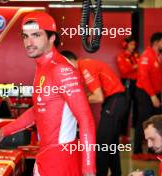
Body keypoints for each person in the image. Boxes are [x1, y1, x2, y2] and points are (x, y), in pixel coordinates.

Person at [0, 11, 96, 176]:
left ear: (52, 38)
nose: (29, 42)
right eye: (25, 36)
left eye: (36, 35)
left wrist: (88, 169)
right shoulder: (42, 67)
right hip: (45, 156)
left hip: (61, 160)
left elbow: (86, 120)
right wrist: (2, 133)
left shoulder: (61, 69)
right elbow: (38, 110)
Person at [61, 50, 127, 176]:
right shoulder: (84, 65)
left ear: (68, 61)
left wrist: (76, 100)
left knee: (102, 144)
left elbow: (98, 97)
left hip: (115, 100)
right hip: (115, 101)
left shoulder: (85, 66)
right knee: (111, 144)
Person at [133, 32, 162, 160]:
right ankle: (137, 151)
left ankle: (152, 150)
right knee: (144, 122)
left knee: (155, 122)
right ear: (157, 43)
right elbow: (144, 78)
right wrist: (152, 96)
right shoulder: (147, 55)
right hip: (145, 94)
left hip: (155, 93)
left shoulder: (156, 56)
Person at [116, 37, 139, 143]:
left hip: (137, 83)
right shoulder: (121, 56)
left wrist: (134, 66)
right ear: (125, 45)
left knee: (139, 109)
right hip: (127, 83)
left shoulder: (136, 55)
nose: (133, 47)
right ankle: (123, 135)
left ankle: (141, 136)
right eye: (131, 44)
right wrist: (135, 66)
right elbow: (124, 71)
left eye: (134, 45)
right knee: (125, 109)